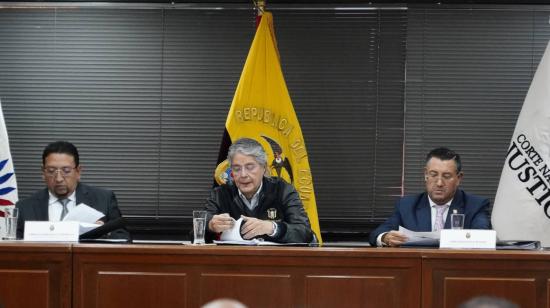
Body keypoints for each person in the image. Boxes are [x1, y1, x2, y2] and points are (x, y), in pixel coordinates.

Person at [369, 147, 491, 247]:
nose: (439, 183)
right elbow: (377, 234)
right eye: (433, 175)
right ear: (426, 175)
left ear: (459, 178)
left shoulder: (475, 206)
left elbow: (482, 237)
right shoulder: (406, 205)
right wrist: (386, 238)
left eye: (446, 176)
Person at [205, 138, 313, 243]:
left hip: (275, 259)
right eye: (237, 168)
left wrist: (272, 228)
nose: (243, 175)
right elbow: (195, 234)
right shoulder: (220, 194)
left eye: (250, 167)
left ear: (264, 167)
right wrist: (210, 226)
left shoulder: (283, 190)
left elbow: (305, 233)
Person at [16, 141, 128, 239]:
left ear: (78, 172)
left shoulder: (104, 200)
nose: (59, 179)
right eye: (51, 171)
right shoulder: (25, 207)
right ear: (43, 173)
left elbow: (124, 239)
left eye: (66, 170)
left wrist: (103, 232)